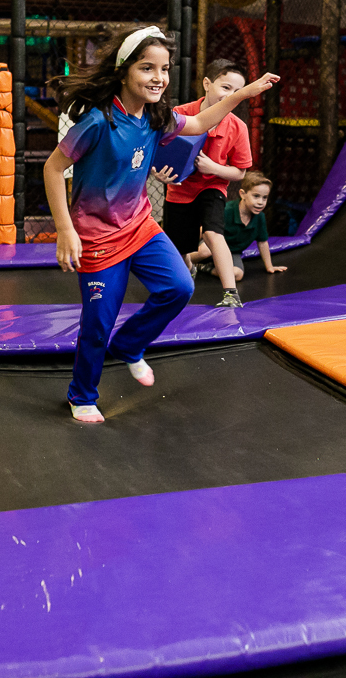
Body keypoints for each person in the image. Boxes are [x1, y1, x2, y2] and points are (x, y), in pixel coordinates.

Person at [43, 26, 280, 424]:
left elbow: (200, 122)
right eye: (147, 68)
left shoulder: (156, 117)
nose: (158, 77)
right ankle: (82, 395)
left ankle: (131, 344)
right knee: (98, 322)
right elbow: (53, 169)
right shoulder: (99, 121)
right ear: (123, 71)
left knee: (179, 287)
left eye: (165, 69)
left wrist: (242, 94)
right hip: (97, 235)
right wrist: (66, 230)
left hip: (139, 225)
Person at [165, 59, 252, 308]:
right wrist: (158, 171)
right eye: (225, 88)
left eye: (238, 92)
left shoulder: (238, 127)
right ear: (207, 84)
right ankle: (188, 274)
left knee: (214, 233)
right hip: (179, 188)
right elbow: (158, 152)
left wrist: (213, 169)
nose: (231, 96)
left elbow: (240, 173)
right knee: (180, 247)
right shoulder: (180, 114)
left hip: (212, 186)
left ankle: (231, 294)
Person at [189, 172, 287, 282]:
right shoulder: (227, 211)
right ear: (242, 194)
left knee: (237, 274)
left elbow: (262, 242)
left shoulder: (260, 218)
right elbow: (203, 230)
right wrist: (186, 248)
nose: (260, 202)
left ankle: (203, 267)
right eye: (256, 196)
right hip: (212, 246)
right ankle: (181, 262)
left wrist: (269, 266)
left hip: (231, 253)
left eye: (264, 198)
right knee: (205, 251)